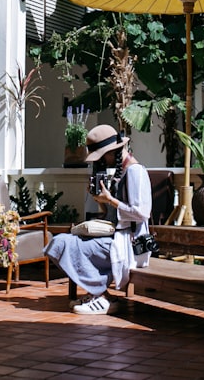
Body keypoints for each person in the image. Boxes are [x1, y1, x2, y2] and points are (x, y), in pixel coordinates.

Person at [44, 124, 152, 315]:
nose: (102, 161)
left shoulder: (135, 171)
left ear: (113, 152)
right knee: (61, 241)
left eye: (102, 155)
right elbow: (116, 216)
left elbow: (142, 213)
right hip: (116, 237)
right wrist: (101, 201)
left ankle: (101, 296)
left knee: (69, 244)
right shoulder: (122, 172)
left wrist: (110, 199)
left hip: (131, 245)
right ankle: (100, 293)